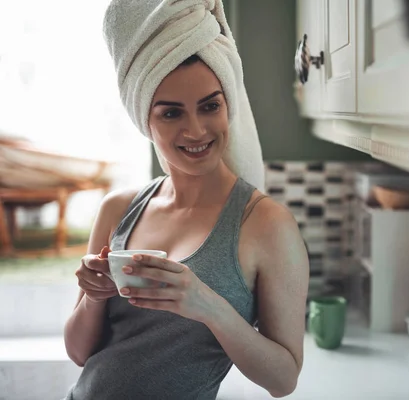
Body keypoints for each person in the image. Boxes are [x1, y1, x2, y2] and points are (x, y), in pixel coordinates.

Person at [62, 1, 309, 399]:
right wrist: (94, 296)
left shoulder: (266, 224)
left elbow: (283, 379)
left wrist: (207, 305)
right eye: (171, 114)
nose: (196, 131)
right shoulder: (118, 209)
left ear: (229, 105)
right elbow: (79, 354)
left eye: (210, 106)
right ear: (146, 120)